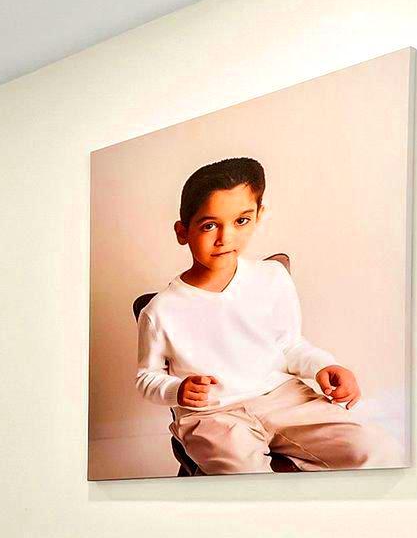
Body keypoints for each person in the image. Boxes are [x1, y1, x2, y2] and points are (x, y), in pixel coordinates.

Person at [135, 157, 400, 474]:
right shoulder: (160, 310)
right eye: (209, 226)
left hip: (286, 399)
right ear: (183, 231)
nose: (225, 238)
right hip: (213, 414)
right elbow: (146, 377)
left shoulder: (272, 278)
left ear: (259, 216)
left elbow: (290, 344)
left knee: (377, 451)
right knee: (240, 473)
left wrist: (324, 365)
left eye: (241, 221)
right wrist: (176, 390)